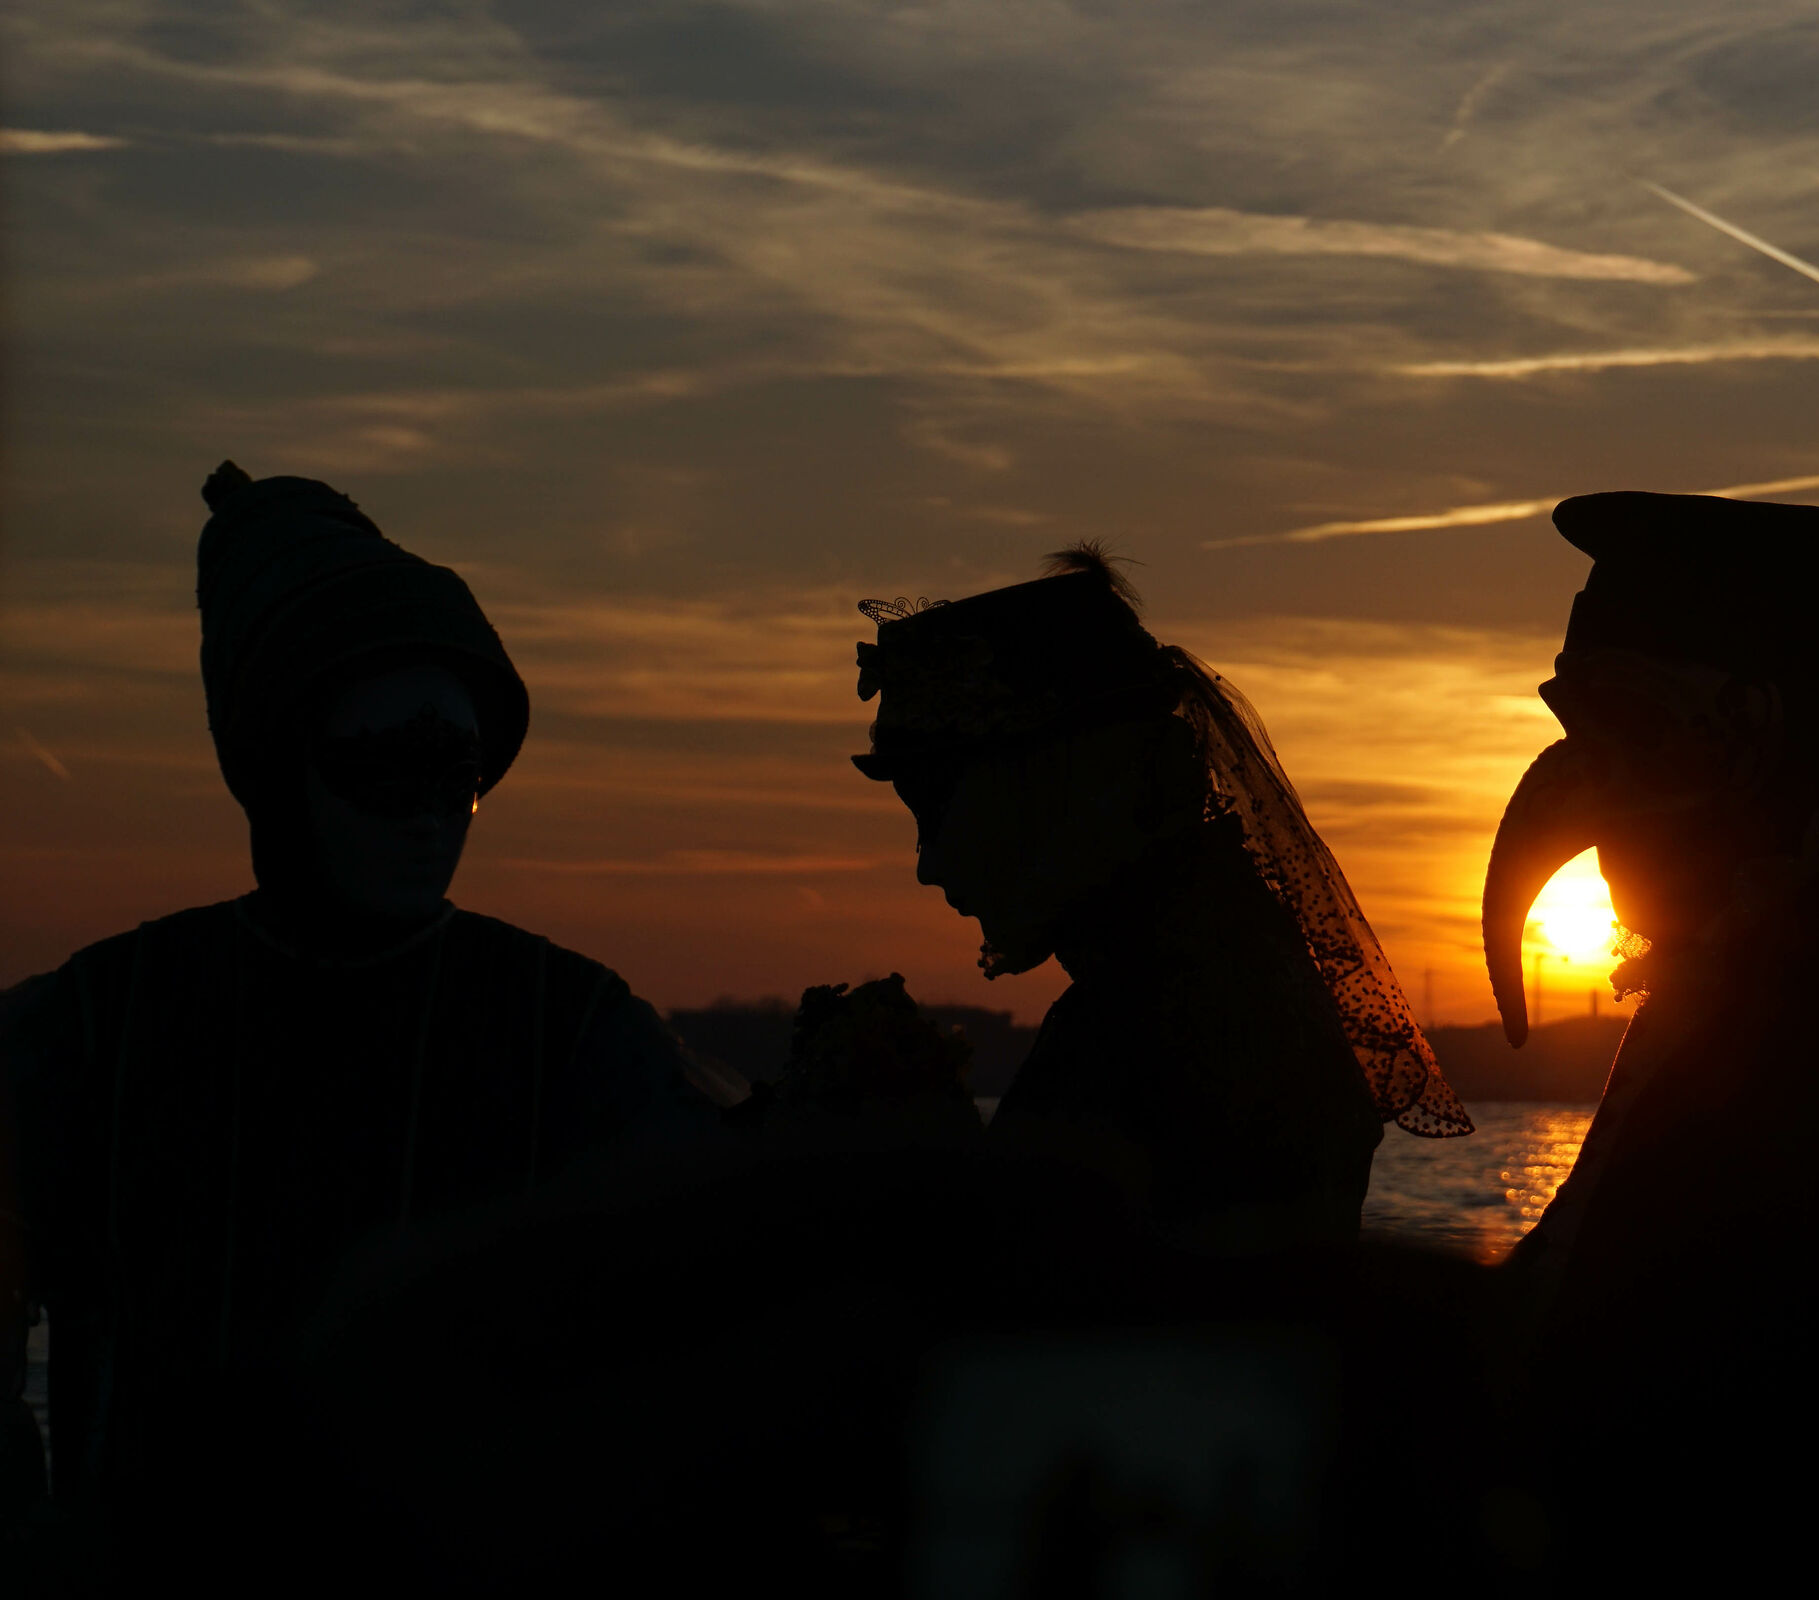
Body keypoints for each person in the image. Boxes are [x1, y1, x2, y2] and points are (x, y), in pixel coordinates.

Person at [0, 463, 724, 1569]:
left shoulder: (575, 1028)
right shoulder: (97, 1024)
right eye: (385, 771)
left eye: (462, 774)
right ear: (277, 765)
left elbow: (712, 1310)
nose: (433, 817)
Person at [1480, 493, 1819, 1591]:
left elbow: (1690, 1428)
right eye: (1577, 726)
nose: (1589, 793)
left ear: (1754, 734)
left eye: (1633, 730)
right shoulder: (1748, 971)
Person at [851, 546, 1469, 1255]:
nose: (931, 864)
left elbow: (1063, 1309)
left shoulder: (1174, 1012)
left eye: (941, 807)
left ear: (1071, 786)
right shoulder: (1210, 968)